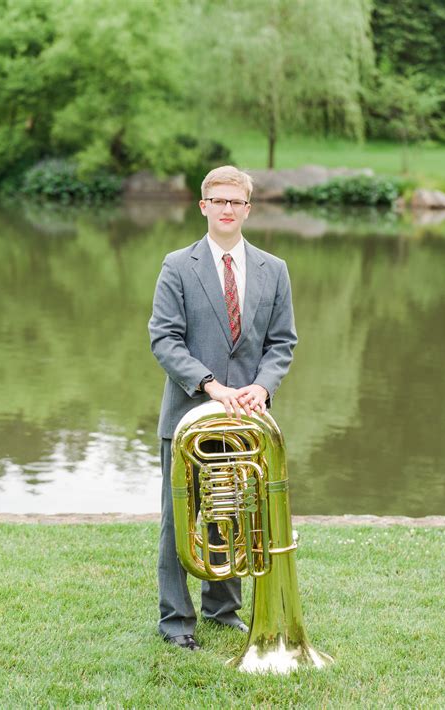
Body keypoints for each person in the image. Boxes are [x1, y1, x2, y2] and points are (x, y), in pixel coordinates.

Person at [148, 165, 297, 650]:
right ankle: (176, 622)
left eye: (237, 201)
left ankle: (222, 608)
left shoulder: (274, 269)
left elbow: (282, 343)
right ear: (204, 206)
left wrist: (262, 387)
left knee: (234, 512)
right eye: (220, 201)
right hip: (189, 414)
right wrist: (209, 385)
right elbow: (164, 339)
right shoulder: (177, 264)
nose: (228, 209)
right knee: (181, 521)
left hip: (245, 421)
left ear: (249, 208)